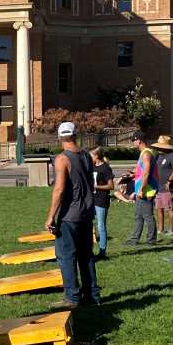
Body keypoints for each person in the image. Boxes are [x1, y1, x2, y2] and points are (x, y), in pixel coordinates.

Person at [44, 122, 100, 309]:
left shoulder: (62, 159)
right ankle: (91, 294)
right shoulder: (86, 156)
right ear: (76, 135)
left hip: (69, 215)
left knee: (66, 256)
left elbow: (59, 189)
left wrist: (51, 216)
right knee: (86, 256)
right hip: (86, 212)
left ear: (60, 138)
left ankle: (72, 297)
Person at [124, 131, 159, 246]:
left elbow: (147, 173)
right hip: (142, 189)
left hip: (146, 190)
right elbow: (142, 170)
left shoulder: (146, 154)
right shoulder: (144, 153)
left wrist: (141, 190)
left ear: (139, 140)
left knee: (148, 215)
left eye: (133, 140)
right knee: (138, 216)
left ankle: (151, 240)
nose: (133, 143)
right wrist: (133, 174)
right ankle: (134, 239)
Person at [152, 135, 173, 237]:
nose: (158, 148)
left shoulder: (172, 155)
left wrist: (169, 180)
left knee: (170, 208)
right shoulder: (158, 156)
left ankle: (172, 231)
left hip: (169, 187)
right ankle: (161, 230)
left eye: (160, 146)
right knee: (159, 208)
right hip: (158, 187)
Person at [90, 147, 114, 260]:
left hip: (101, 200)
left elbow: (111, 186)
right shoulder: (91, 167)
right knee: (89, 225)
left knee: (101, 226)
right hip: (90, 200)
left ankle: (102, 252)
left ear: (97, 156)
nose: (90, 158)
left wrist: (96, 187)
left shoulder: (105, 168)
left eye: (92, 155)